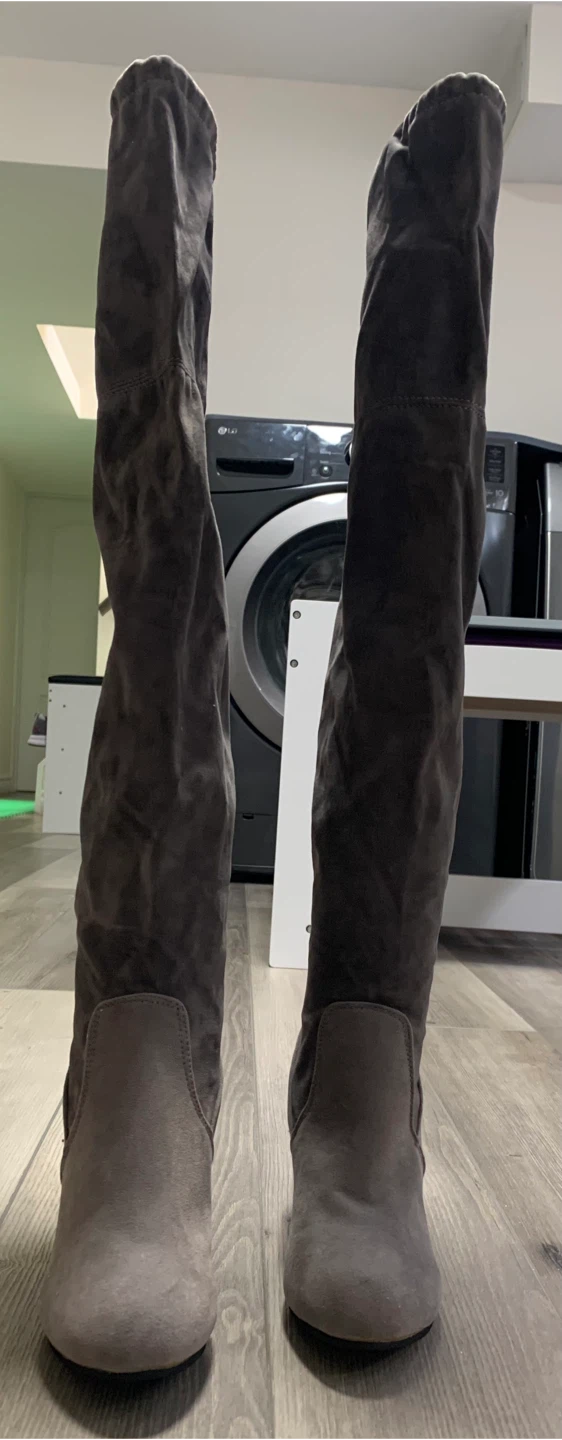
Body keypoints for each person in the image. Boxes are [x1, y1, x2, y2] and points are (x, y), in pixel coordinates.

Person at [41, 58, 505, 1376]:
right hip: (145, 1005)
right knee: (160, 610)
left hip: (367, 1040)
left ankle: (359, 1106)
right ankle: (138, 1092)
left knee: (413, 631)